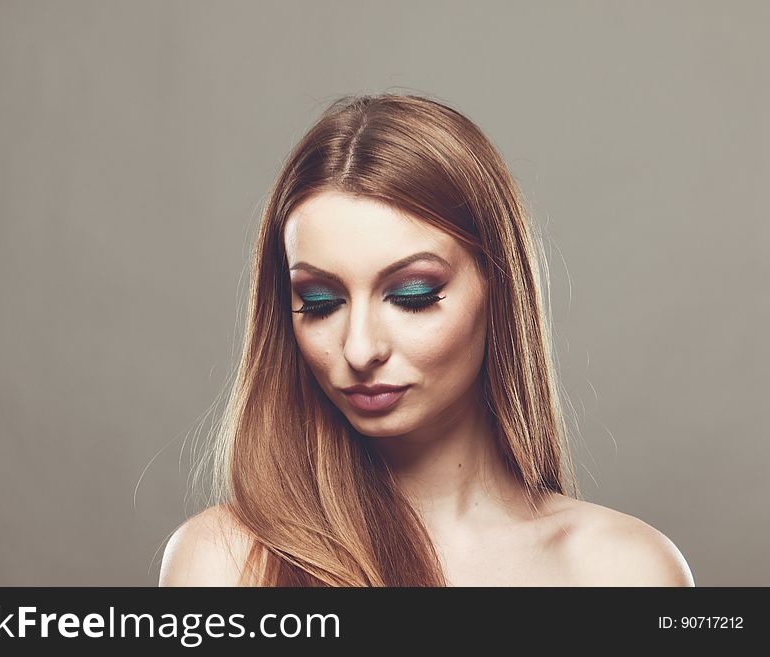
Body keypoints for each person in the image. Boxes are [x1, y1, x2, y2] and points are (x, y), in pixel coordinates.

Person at [158, 93, 694, 586]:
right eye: (321, 303)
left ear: (498, 287)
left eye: (411, 295)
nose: (360, 349)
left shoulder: (625, 572)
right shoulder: (227, 562)